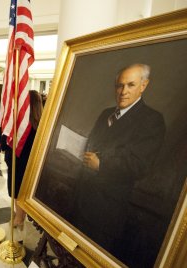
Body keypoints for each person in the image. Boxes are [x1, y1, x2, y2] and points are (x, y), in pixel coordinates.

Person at [72, 63, 166, 258]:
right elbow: (96, 145)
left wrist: (102, 165)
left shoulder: (152, 120)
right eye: (119, 85)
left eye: (130, 85)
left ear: (144, 85)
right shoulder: (106, 114)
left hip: (106, 211)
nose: (123, 91)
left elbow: (140, 165)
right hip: (81, 198)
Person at [2, 90, 43, 229]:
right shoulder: (41, 121)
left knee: (17, 190)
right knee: (20, 191)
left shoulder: (24, 123)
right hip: (27, 162)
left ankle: (19, 219)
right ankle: (19, 216)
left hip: (19, 160)